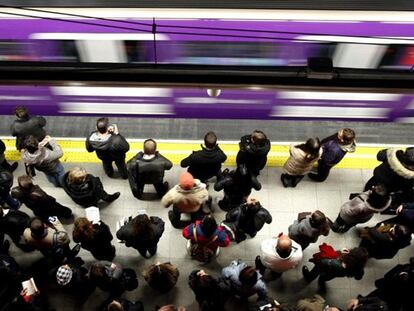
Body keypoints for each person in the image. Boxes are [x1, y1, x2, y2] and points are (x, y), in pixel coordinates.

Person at [302, 245, 369, 284]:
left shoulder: (337, 263)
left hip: (329, 266)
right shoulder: (359, 267)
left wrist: (339, 252)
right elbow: (358, 277)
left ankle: (309, 277)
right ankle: (322, 280)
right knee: (328, 276)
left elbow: (323, 262)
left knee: (318, 269)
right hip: (337, 274)